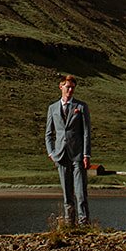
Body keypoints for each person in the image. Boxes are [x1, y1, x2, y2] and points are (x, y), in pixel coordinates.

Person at [44, 73, 92, 225]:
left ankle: (84, 222)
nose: (70, 90)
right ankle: (68, 222)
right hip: (60, 155)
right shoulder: (52, 108)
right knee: (67, 192)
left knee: (80, 191)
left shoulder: (81, 106)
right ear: (61, 87)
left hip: (77, 154)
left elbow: (86, 132)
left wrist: (86, 154)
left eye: (73, 88)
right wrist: (51, 152)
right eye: (68, 87)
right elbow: (49, 133)